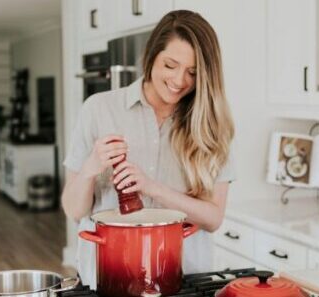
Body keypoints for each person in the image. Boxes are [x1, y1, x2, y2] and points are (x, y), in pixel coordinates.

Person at [61, 10, 235, 288]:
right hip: (109, 277)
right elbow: (72, 208)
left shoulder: (212, 125)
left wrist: (151, 187)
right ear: (152, 56)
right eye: (170, 65)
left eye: (193, 72)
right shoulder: (99, 108)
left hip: (183, 279)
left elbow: (213, 219)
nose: (180, 80)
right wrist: (90, 168)